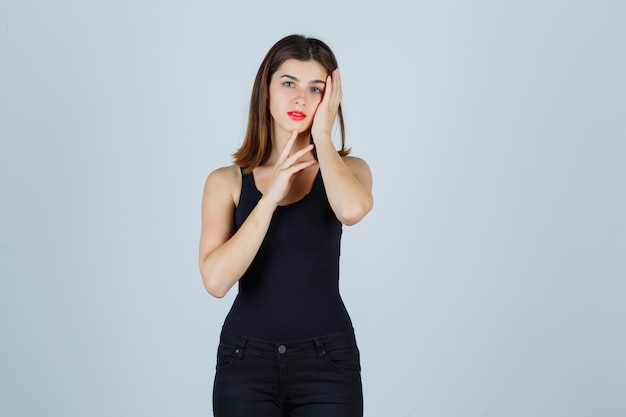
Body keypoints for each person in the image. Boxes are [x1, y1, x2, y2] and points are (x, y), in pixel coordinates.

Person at [199, 34, 373, 417]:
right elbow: (215, 281)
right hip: (245, 362)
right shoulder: (225, 181)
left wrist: (322, 138)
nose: (300, 98)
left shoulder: (350, 170)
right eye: (289, 83)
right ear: (266, 90)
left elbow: (352, 210)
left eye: (316, 88)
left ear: (330, 100)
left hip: (327, 362)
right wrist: (270, 198)